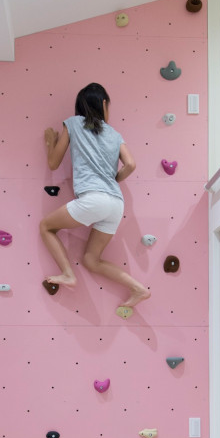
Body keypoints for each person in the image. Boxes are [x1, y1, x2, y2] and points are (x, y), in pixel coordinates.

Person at [40, 82, 151, 314]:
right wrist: (114, 180)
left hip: (93, 199)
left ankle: (68, 274)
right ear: (103, 104)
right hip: (115, 204)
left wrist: (50, 142)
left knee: (46, 226)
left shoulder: (72, 124)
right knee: (92, 259)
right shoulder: (115, 134)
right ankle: (138, 289)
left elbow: (53, 163)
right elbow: (131, 164)